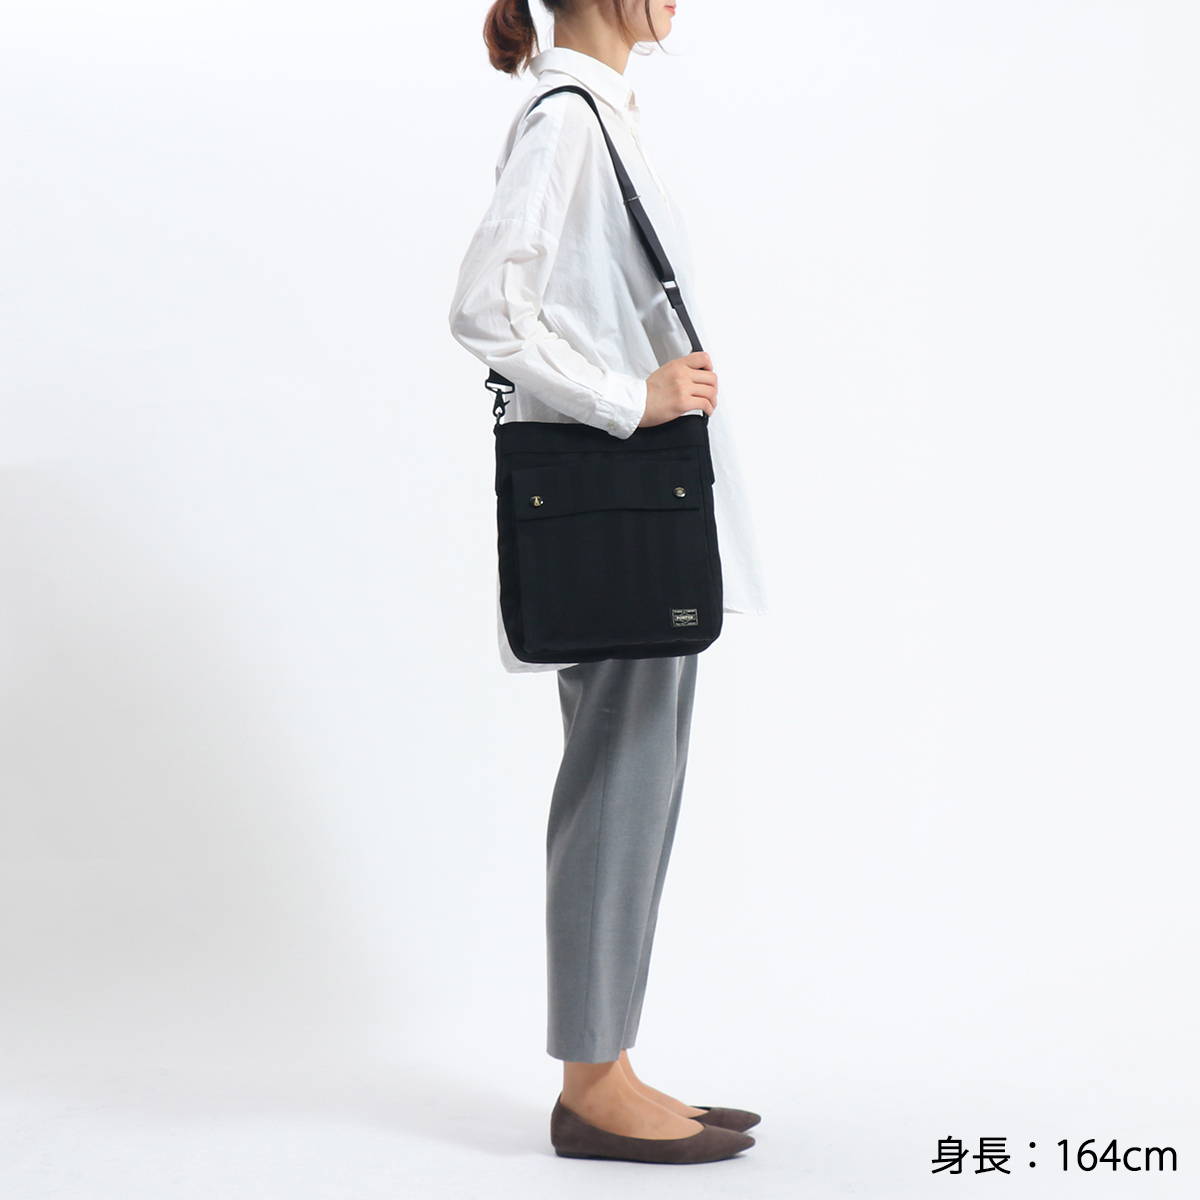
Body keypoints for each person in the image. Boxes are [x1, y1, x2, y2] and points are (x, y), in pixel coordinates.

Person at [447, 0, 768, 1165]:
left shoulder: (598, 115)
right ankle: (590, 1083)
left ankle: (611, 1062)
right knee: (620, 775)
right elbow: (484, 307)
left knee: (638, 771)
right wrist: (632, 398)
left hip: (636, 498)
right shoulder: (569, 119)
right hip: (616, 496)